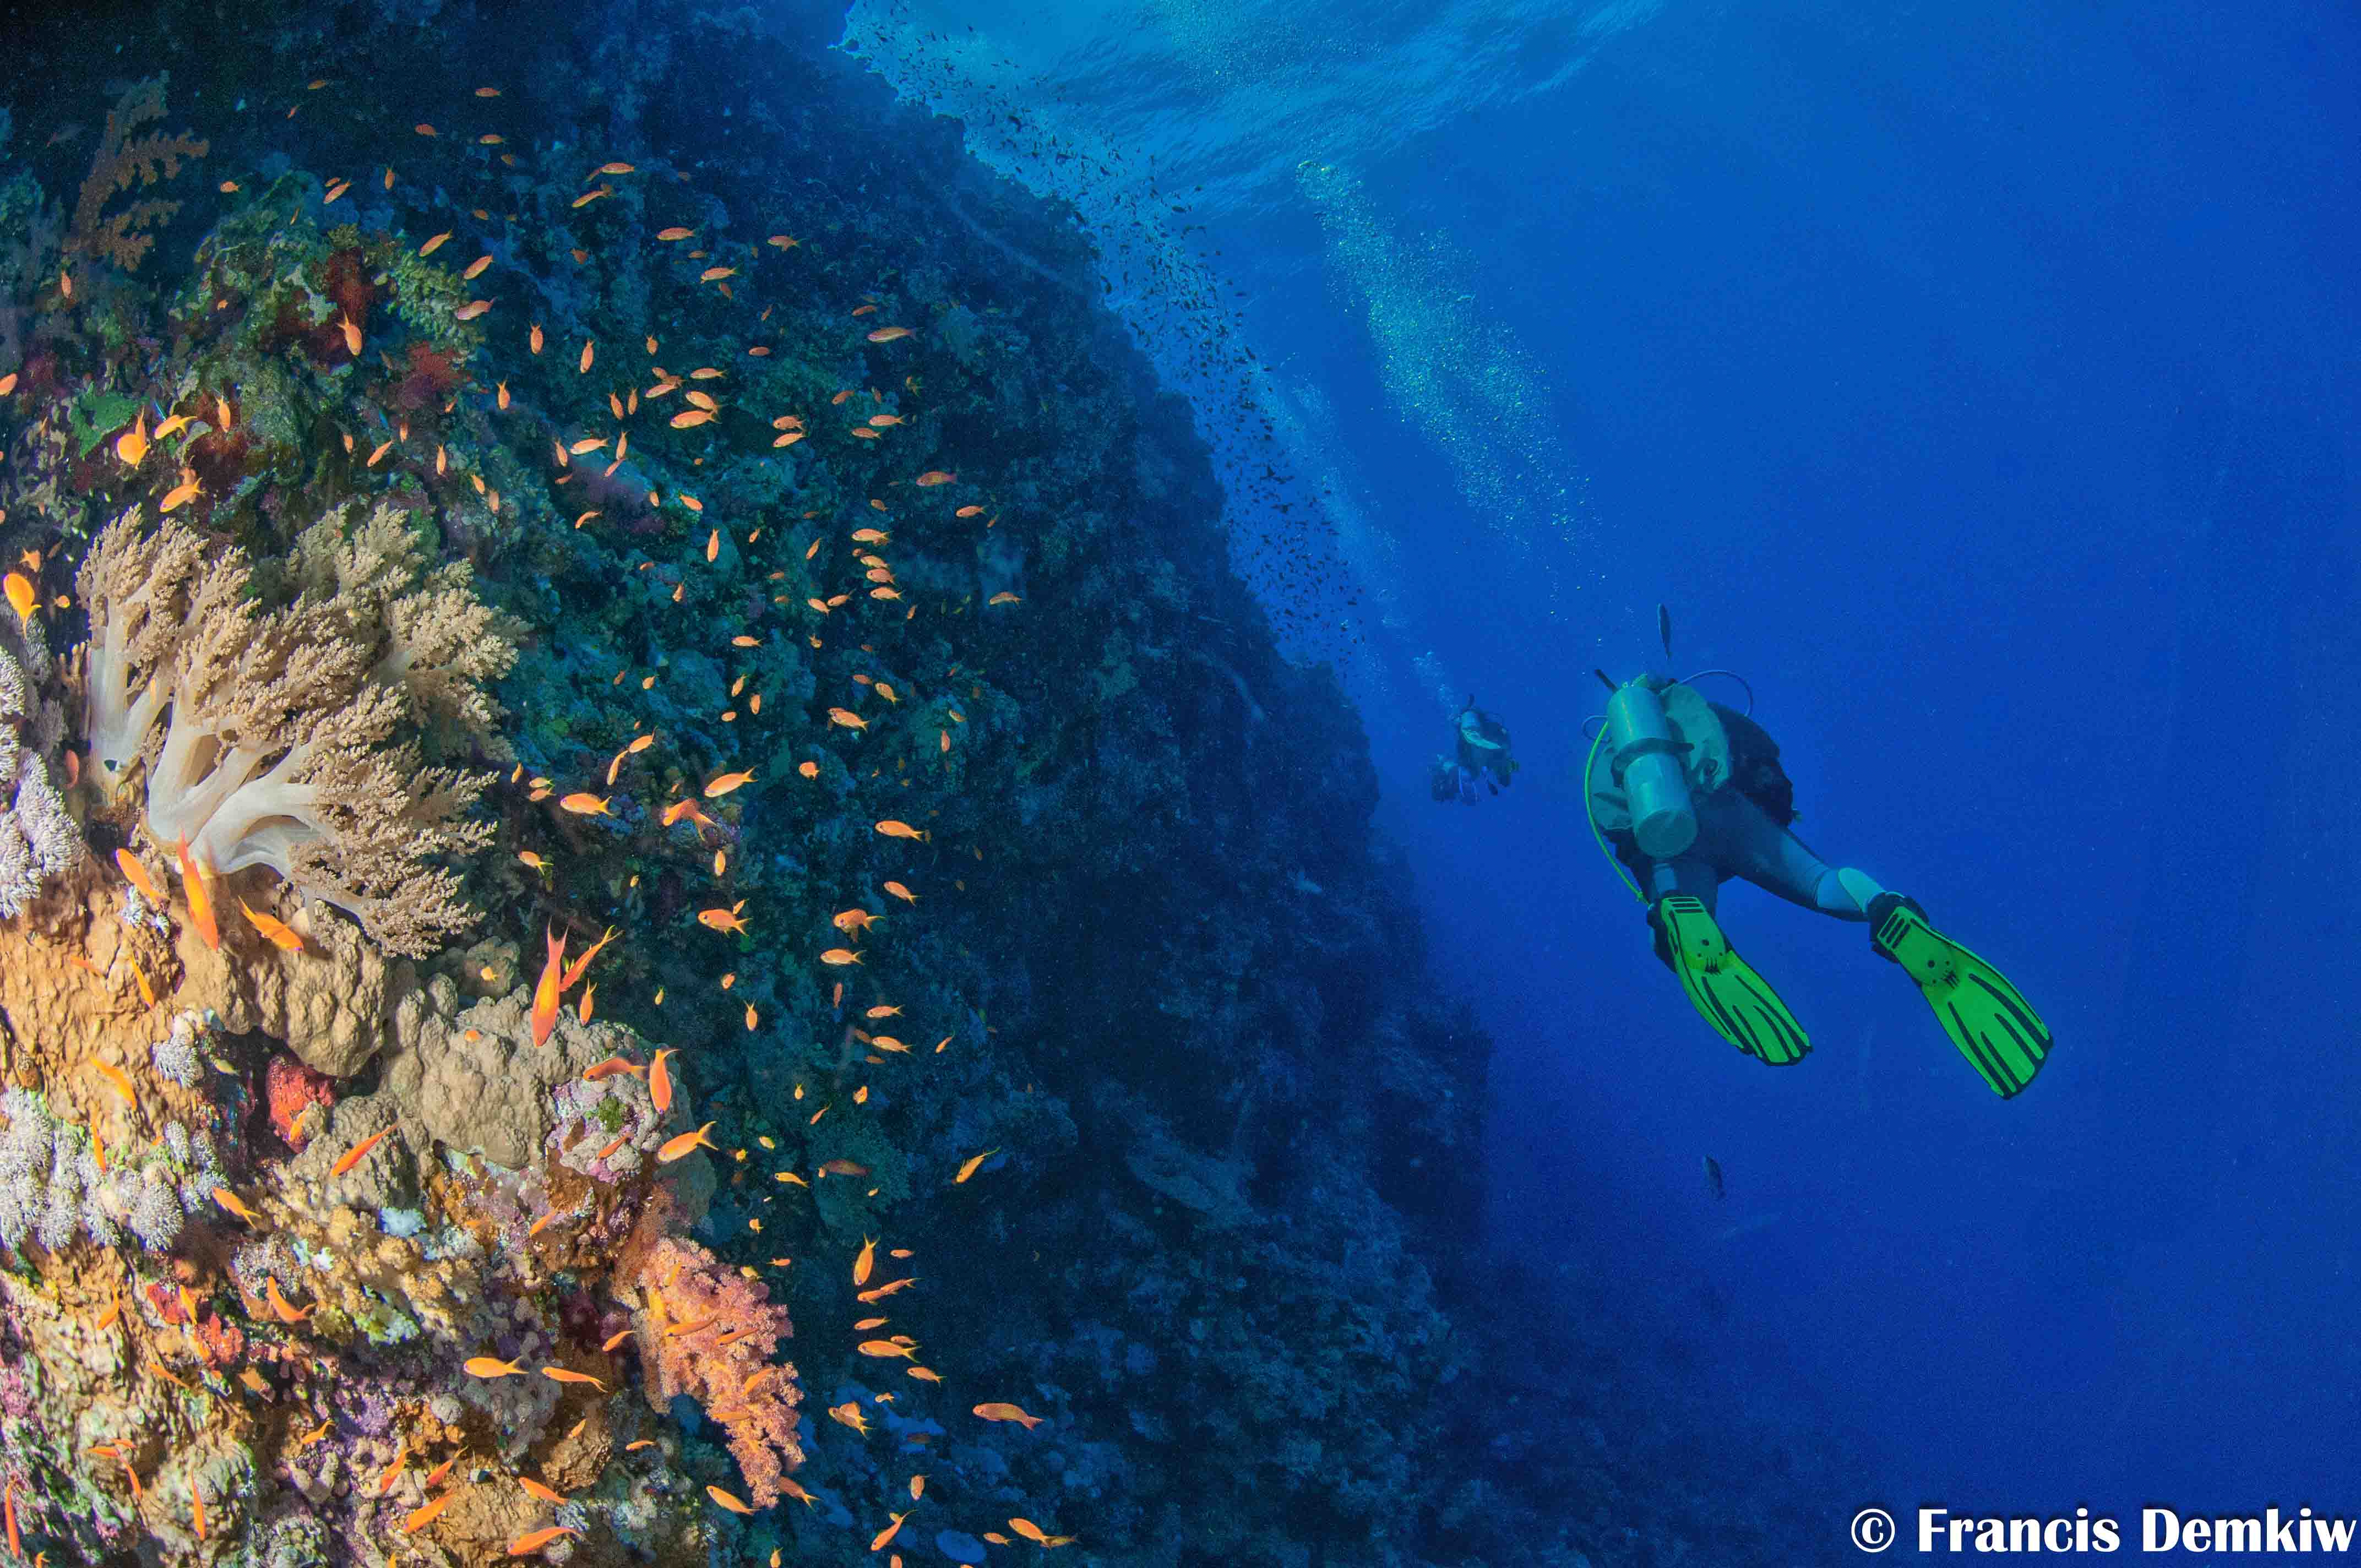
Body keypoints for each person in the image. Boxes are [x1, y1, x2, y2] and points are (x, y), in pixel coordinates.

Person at [1584, 672, 2052, 1098]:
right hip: (1730, 808)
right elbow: (1759, 762)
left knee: (1679, 914)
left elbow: (1620, 836)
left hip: (1669, 839)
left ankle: (1679, 922)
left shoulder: (1611, 757)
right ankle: (1883, 906)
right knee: (1822, 882)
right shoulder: (1699, 713)